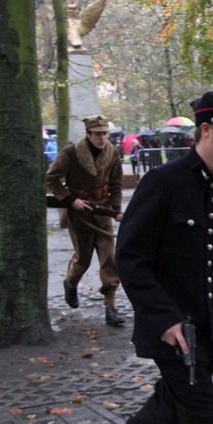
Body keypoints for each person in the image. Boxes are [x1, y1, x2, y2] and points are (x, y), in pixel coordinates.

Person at [80, 90, 213, 424]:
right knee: (203, 415)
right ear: (205, 130)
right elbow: (131, 258)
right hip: (171, 329)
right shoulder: (162, 183)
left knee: (174, 407)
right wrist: (164, 317)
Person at [45, 115, 126, 327]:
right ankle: (70, 283)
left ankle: (110, 306)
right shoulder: (71, 153)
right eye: (98, 134)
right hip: (79, 214)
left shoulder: (113, 152)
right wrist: (71, 200)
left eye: (105, 134)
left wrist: (116, 209)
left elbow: (117, 183)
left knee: (109, 258)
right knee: (83, 259)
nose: (102, 138)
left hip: (103, 210)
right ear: (88, 134)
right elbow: (51, 179)